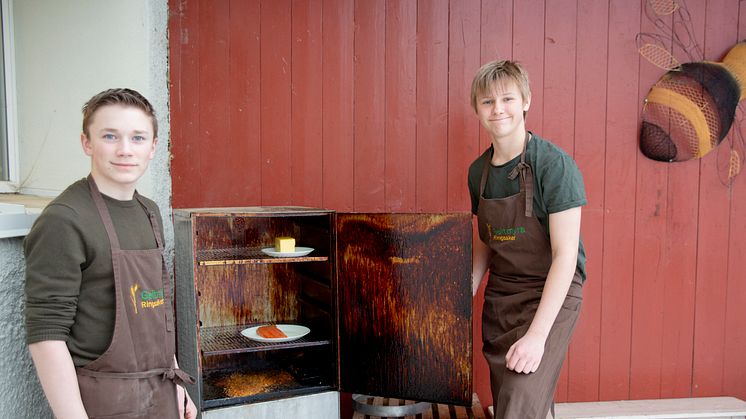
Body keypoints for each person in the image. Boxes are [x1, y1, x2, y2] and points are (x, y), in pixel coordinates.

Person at [24, 88, 197, 419]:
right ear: (86, 143)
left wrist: (176, 385)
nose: (124, 150)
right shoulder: (65, 219)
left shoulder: (150, 211)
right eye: (109, 136)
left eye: (137, 138)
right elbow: (46, 334)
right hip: (103, 403)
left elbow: (155, 309)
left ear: (153, 148)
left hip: (160, 395)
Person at [467, 60, 587, 419]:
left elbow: (566, 256)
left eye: (507, 98)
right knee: (512, 400)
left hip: (552, 292)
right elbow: (486, 241)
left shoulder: (554, 165)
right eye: (487, 102)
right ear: (477, 109)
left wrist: (537, 336)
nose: (498, 109)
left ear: (526, 102)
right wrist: (462, 294)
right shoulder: (479, 173)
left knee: (519, 402)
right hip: (503, 297)